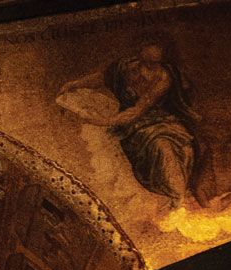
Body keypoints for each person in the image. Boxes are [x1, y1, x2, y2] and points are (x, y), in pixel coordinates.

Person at [60, 40, 218, 208]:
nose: (146, 69)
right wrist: (75, 84)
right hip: (133, 126)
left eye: (153, 65)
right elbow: (102, 77)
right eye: (144, 63)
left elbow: (137, 110)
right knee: (161, 147)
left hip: (157, 119)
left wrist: (102, 122)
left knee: (176, 147)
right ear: (138, 56)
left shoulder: (163, 77)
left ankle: (178, 197)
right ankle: (178, 198)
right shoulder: (124, 67)